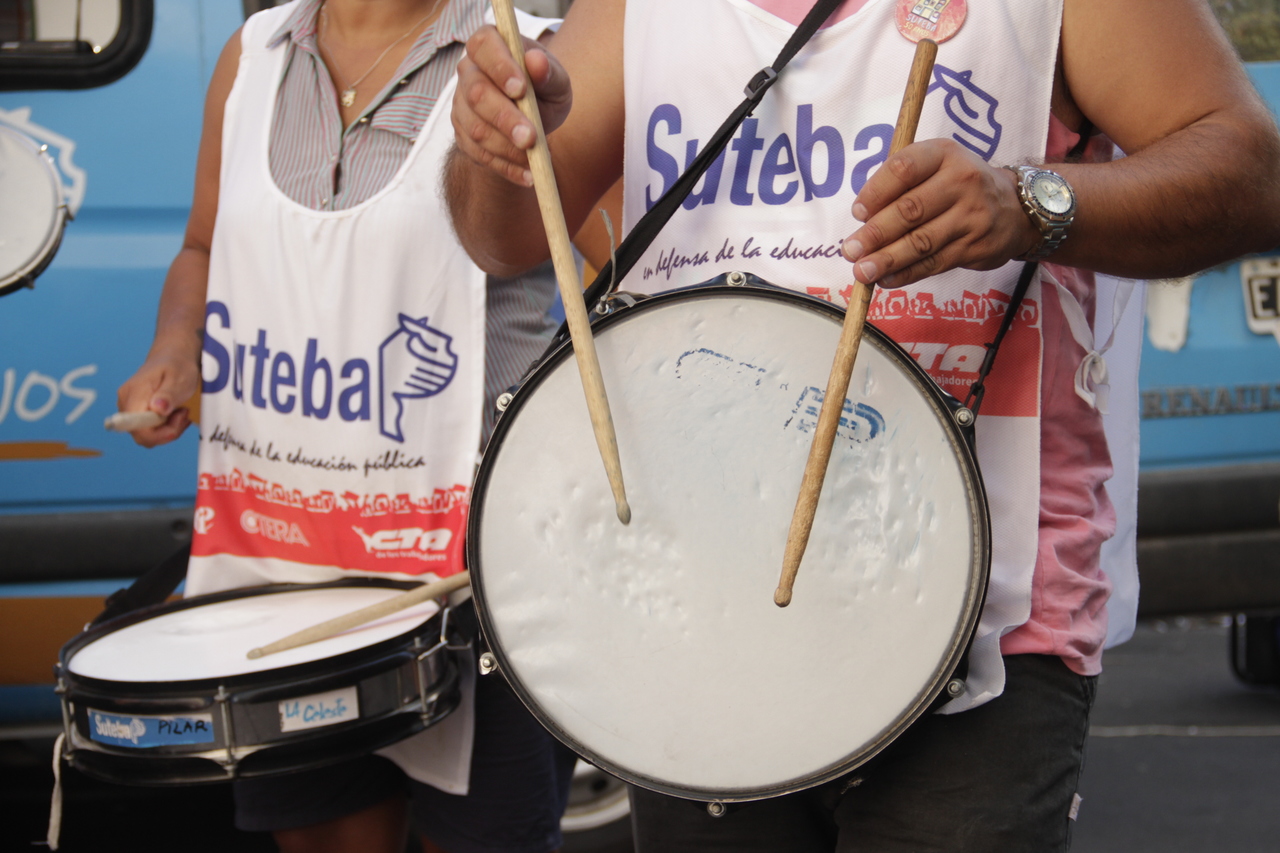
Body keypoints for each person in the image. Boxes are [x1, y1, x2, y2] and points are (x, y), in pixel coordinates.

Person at [444, 0, 1280, 850]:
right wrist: (492, 149)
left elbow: (1254, 174)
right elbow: (505, 240)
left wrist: (1026, 203)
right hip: (696, 610)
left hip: (983, 616)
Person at [115, 1, 577, 851]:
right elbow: (203, 245)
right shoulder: (253, 54)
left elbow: (614, 252)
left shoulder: (522, 53)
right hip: (284, 563)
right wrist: (177, 349)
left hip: (478, 571)